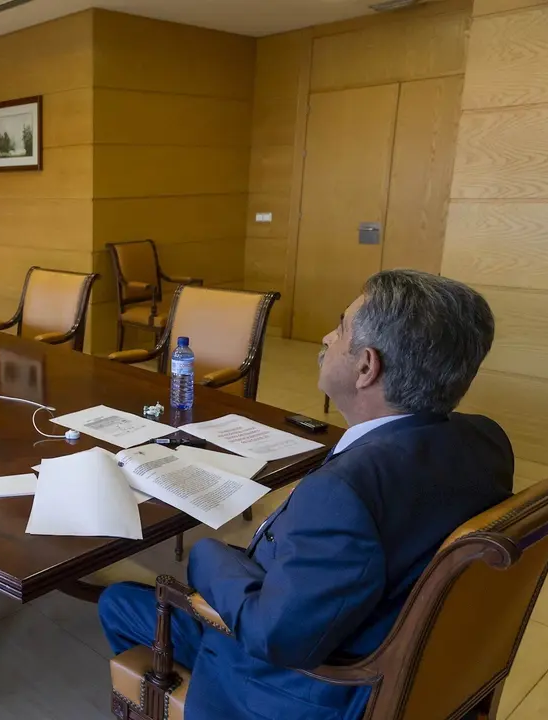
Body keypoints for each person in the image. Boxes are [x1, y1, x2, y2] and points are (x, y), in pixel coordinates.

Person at [99, 269, 513, 720]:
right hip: (415, 657)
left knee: (120, 601)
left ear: (366, 366)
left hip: (310, 690)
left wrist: (208, 555)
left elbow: (276, 636)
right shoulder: (487, 441)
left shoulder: (343, 494)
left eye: (340, 328)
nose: (326, 337)